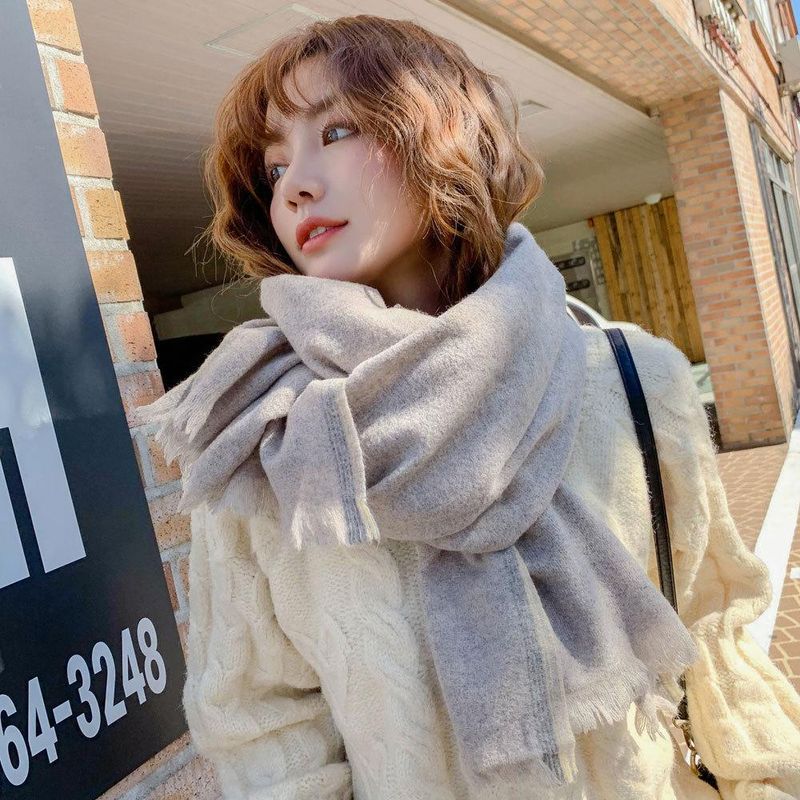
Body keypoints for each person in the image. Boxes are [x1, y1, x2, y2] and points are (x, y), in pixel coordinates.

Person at [141, 14, 800, 800]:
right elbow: (260, 728)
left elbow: (715, 629)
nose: (296, 186)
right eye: (275, 167)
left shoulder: (634, 381)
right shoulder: (271, 438)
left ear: (444, 136)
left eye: (338, 130)